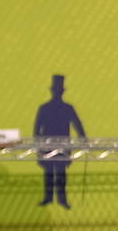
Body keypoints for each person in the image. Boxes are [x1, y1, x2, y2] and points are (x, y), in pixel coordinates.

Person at [32, 73, 85, 208]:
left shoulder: (64, 108)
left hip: (61, 145)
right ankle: (50, 198)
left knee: (60, 173)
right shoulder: (47, 108)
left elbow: (77, 124)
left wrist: (83, 138)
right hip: (48, 145)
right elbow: (37, 129)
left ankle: (61, 199)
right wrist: (39, 146)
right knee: (50, 173)